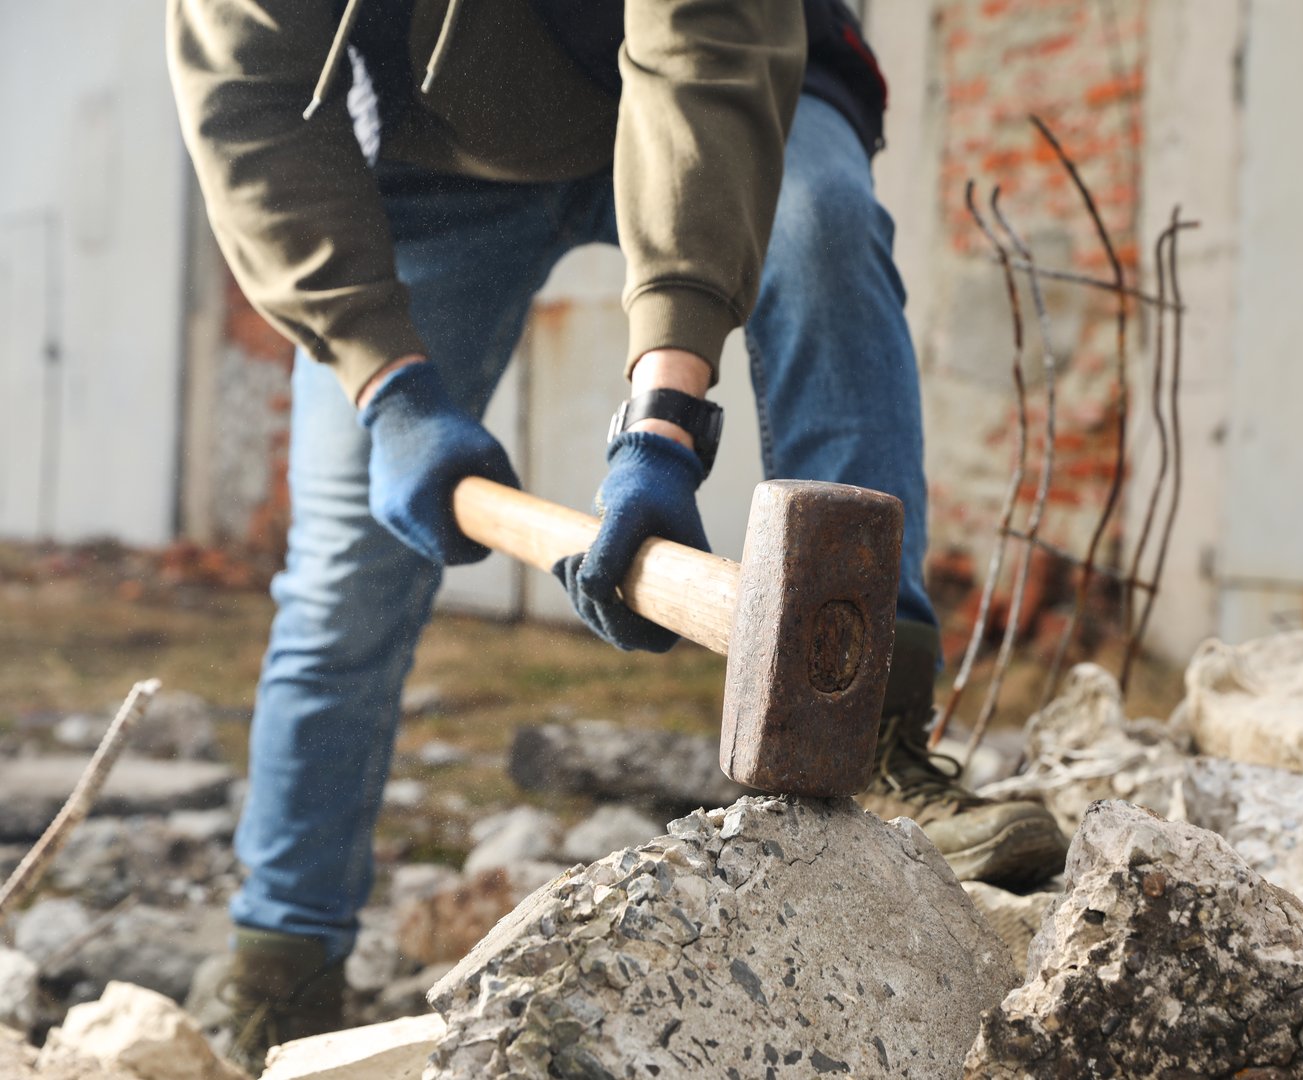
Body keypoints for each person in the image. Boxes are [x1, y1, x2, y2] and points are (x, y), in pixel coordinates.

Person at [167, 0, 1066, 1066]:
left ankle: (875, 733)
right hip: (445, 146)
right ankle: (283, 966)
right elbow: (249, 100)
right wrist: (388, 385)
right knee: (341, 571)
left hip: (735, 77)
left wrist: (664, 424)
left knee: (820, 227)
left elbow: (702, 48)